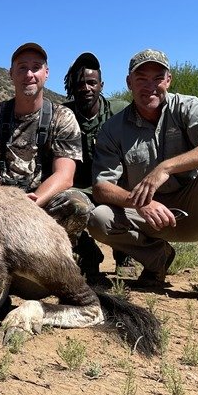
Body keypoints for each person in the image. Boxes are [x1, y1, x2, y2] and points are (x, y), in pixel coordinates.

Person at [89, 49, 198, 302]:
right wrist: (140, 201)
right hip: (145, 216)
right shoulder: (112, 129)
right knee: (99, 217)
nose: (150, 86)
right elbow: (101, 187)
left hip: (194, 212)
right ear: (129, 83)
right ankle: (158, 258)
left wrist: (165, 168)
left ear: (168, 80)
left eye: (158, 78)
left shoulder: (188, 106)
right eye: (141, 79)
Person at [0, 42, 93, 244]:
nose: (29, 74)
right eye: (22, 68)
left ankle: (61, 255)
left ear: (46, 73)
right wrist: (2, 200)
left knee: (77, 205)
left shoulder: (62, 117)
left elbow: (65, 175)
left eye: (36, 67)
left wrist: (31, 203)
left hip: (41, 202)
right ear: (11, 74)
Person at [62, 52, 133, 281]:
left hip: (114, 183)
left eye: (92, 82)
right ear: (72, 86)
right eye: (80, 83)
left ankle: (125, 255)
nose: (86, 88)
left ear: (101, 85)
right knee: (66, 205)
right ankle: (88, 254)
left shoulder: (121, 111)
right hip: (79, 187)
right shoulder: (62, 114)